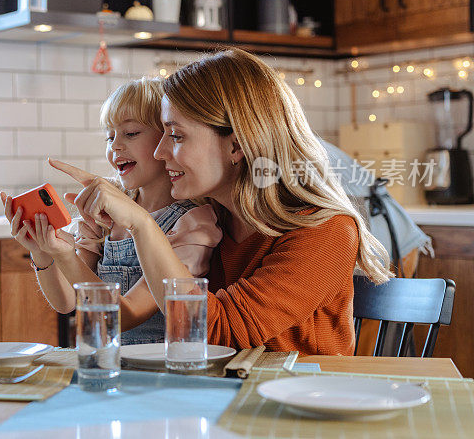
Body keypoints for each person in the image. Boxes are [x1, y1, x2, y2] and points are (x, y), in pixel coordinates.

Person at [53, 47, 391, 355]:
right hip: (224, 400)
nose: (160, 152)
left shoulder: (326, 232)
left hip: (299, 408)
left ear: (236, 146)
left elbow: (218, 331)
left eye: (177, 136)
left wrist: (140, 224)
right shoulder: (210, 218)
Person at [0, 78, 222, 344]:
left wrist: (67, 257)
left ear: (166, 139)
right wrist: (43, 252)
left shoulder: (191, 222)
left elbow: (125, 315)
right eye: (110, 136)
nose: (115, 145)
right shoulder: (105, 216)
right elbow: (66, 302)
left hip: (160, 370)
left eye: (130, 133)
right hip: (110, 364)